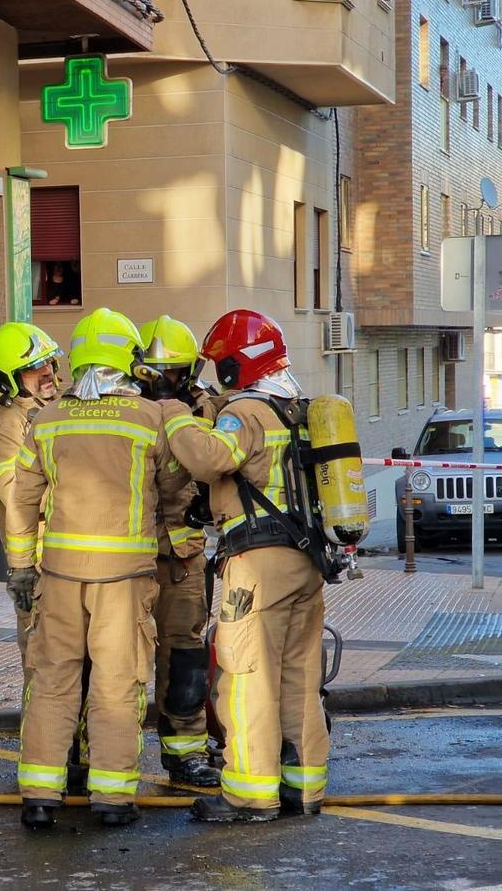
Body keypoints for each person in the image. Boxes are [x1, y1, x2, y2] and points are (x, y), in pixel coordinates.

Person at [5, 308, 184, 830]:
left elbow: (21, 498)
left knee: (53, 680)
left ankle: (39, 797)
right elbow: (175, 489)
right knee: (116, 684)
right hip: (124, 581)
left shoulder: (48, 419)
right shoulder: (149, 419)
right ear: (127, 361)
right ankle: (111, 798)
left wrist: (20, 568)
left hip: (58, 578)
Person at [159, 309, 329, 823]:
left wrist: (176, 416)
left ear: (239, 363)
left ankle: (250, 795)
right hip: (306, 561)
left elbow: (212, 459)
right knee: (299, 677)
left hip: (258, 565)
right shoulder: (293, 407)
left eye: (222, 364)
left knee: (246, 675)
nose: (217, 373)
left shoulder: (245, 413)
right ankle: (304, 789)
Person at [137, 316, 221, 788]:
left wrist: (194, 412)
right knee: (116, 662)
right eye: (155, 371)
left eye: (172, 372)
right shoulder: (127, 411)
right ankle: (107, 755)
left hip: (183, 557)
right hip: (131, 556)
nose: (162, 381)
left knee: (185, 657)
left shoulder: (202, 409)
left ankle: (185, 752)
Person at [0, 322, 62, 677]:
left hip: (69, 561)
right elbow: (18, 497)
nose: (46, 373)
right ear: (11, 378)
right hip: (37, 567)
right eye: (33, 368)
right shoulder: (5, 432)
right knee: (44, 670)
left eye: (48, 364)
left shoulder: (58, 411)